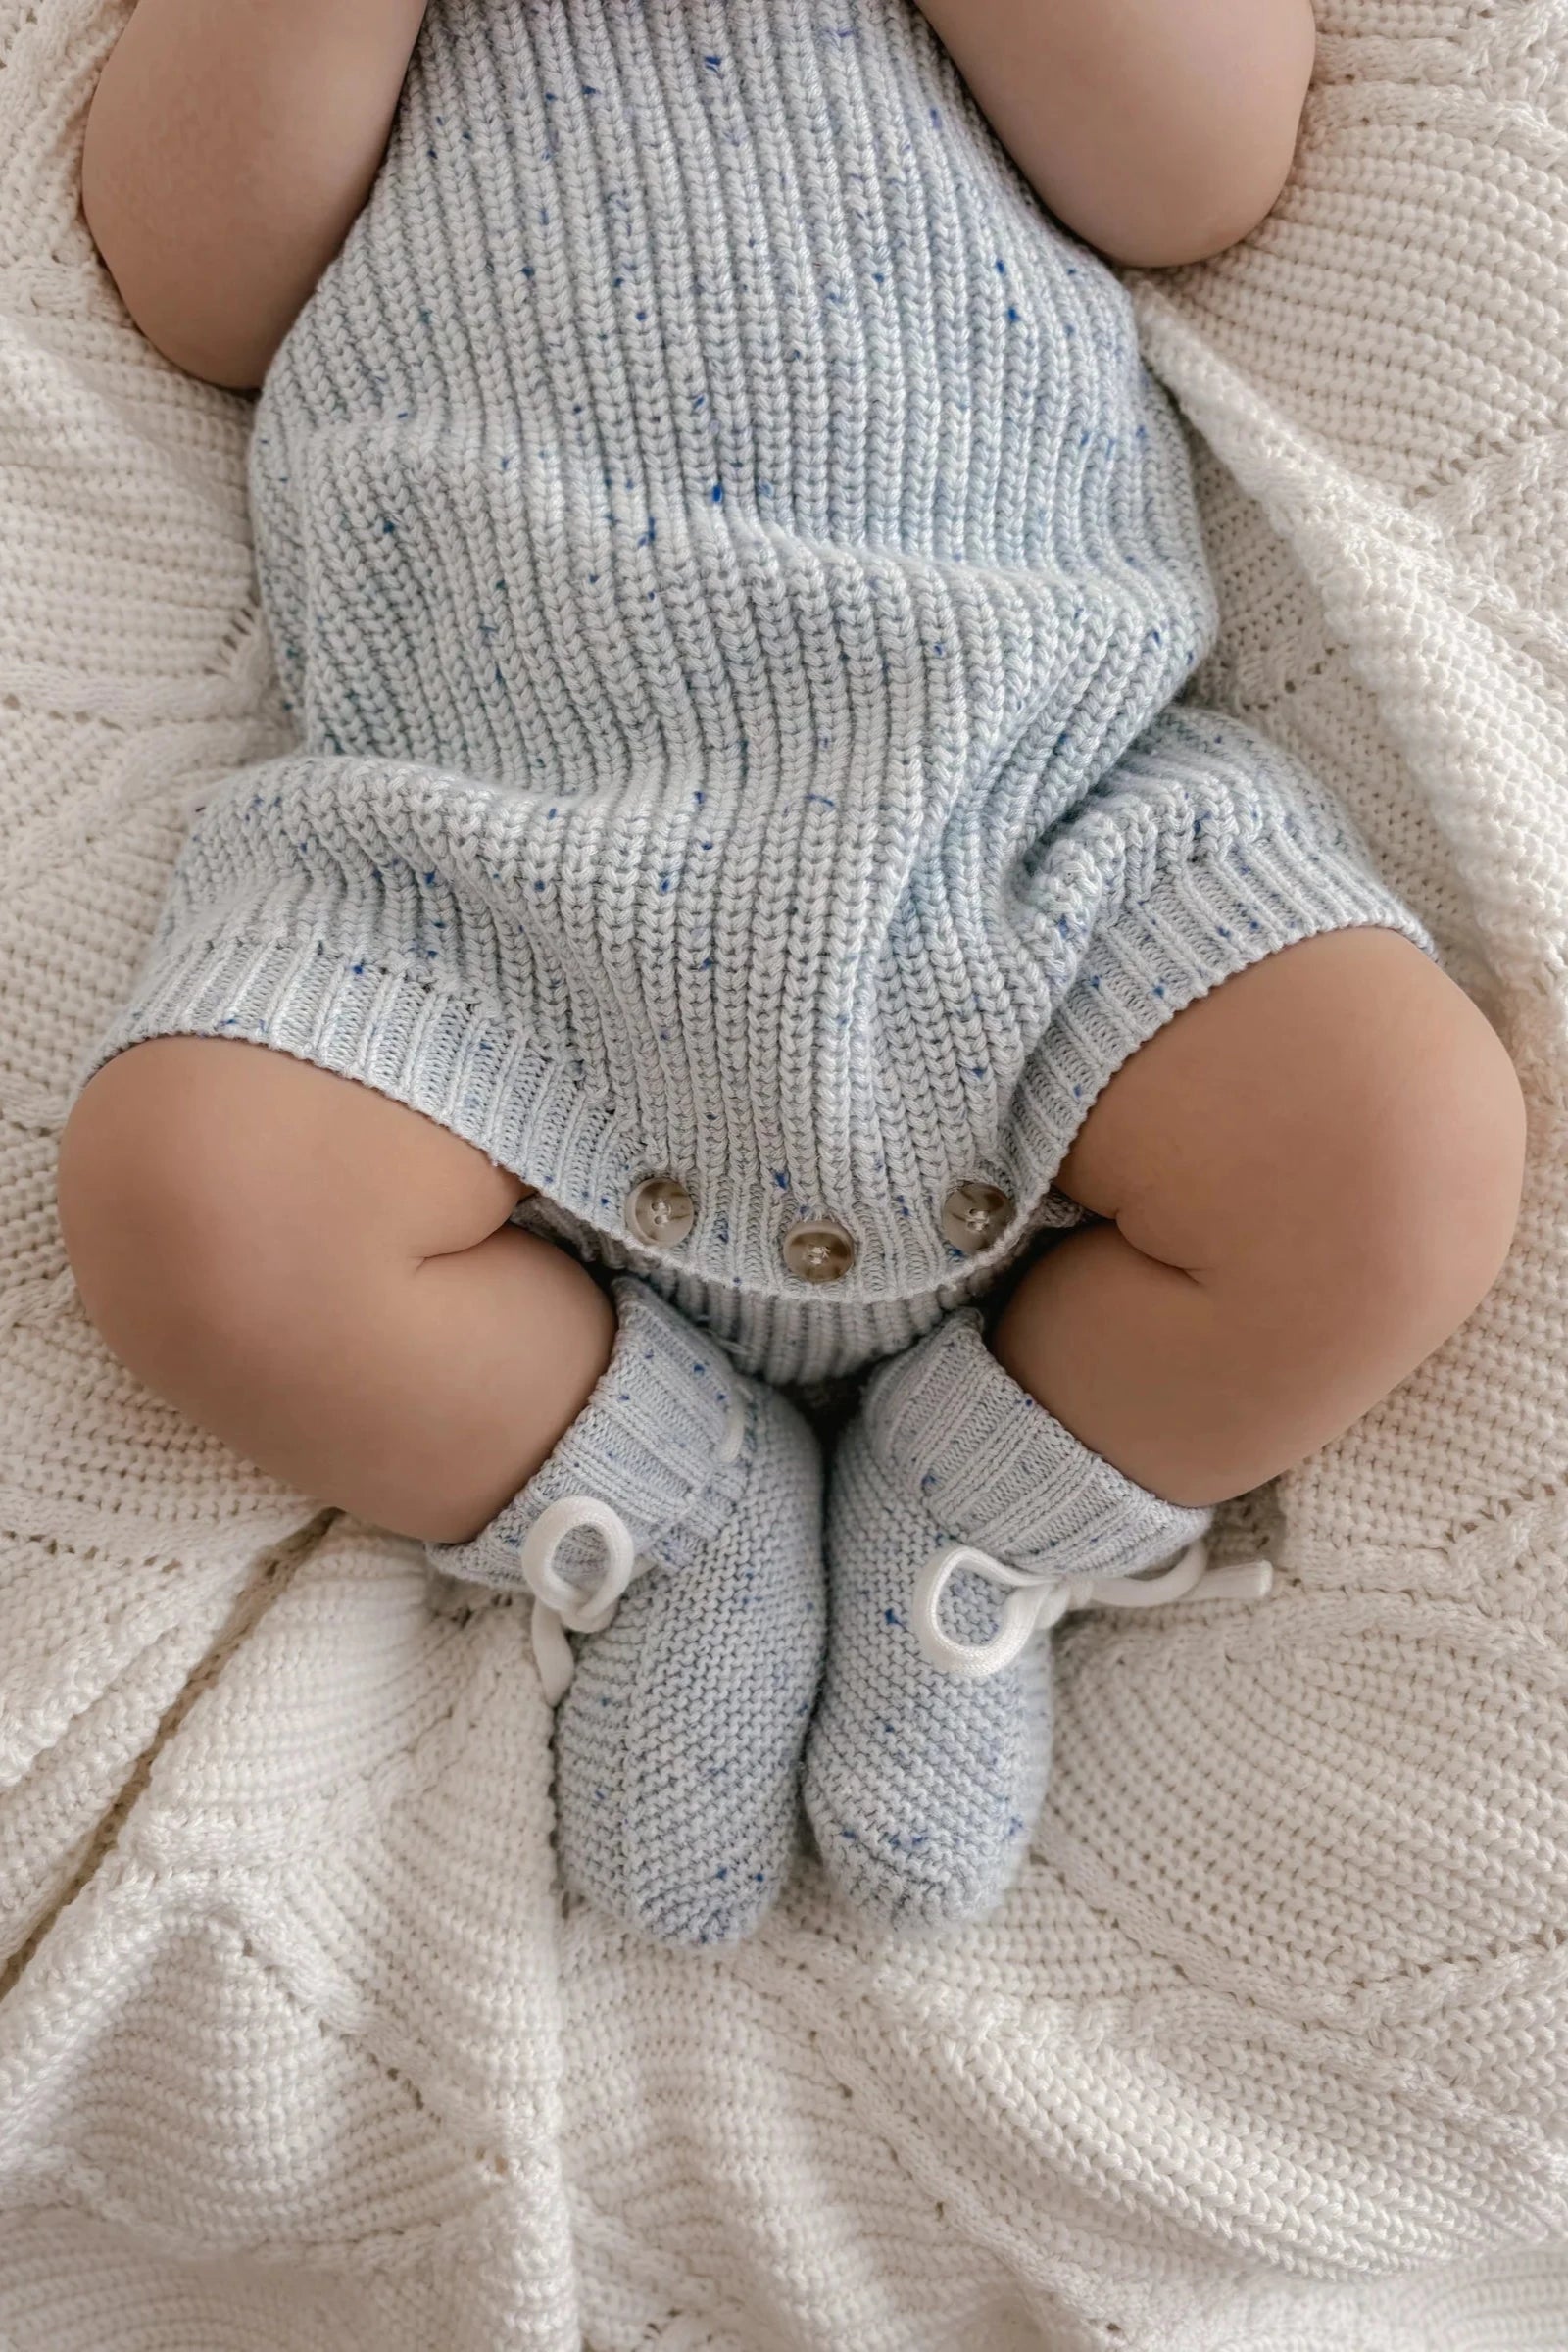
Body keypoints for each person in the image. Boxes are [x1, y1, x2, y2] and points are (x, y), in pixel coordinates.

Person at [59, 0, 1526, 1942]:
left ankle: (989, 1490)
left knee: (1394, 1145)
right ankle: (671, 1511)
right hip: (482, 871)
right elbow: (194, 281)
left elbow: (1194, 173)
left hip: (1029, 818)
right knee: (196, 1200)